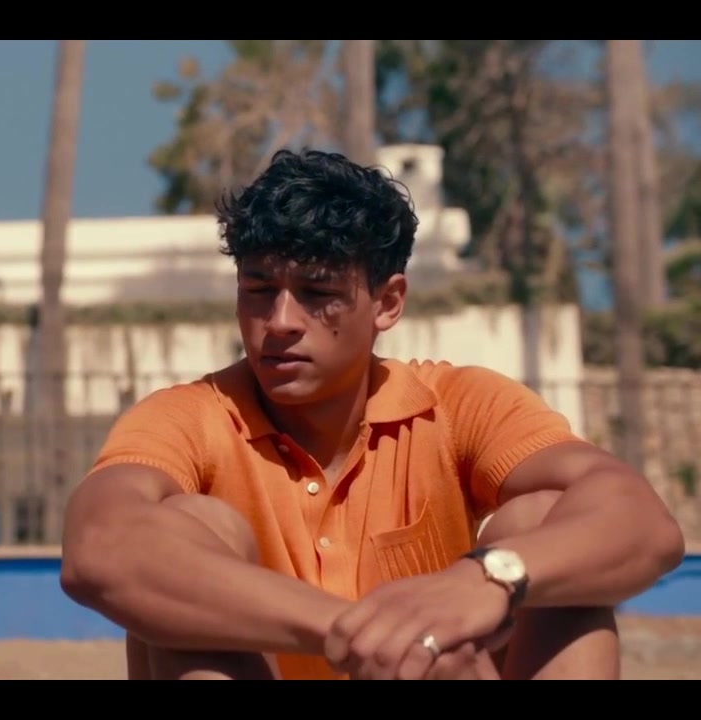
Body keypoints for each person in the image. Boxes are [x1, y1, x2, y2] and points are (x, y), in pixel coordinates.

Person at [59, 148, 685, 680]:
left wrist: (489, 580)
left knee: (546, 522)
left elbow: (644, 524)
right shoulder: (189, 418)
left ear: (387, 303)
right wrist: (364, 632)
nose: (280, 322)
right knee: (185, 530)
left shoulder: (458, 405)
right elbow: (97, 549)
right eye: (258, 290)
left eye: (318, 293)